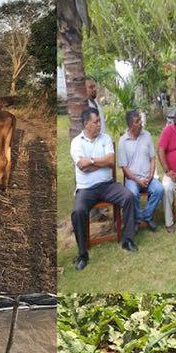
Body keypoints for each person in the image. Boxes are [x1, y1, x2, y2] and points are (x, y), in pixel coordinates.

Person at [70, 108, 137, 271]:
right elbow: (82, 166)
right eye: (96, 122)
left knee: (128, 196)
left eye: (99, 121)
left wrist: (91, 161)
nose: (99, 125)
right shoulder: (76, 142)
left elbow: (110, 161)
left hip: (108, 185)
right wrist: (100, 163)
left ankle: (127, 239)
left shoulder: (105, 138)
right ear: (86, 124)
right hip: (86, 189)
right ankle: (83, 253)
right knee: (78, 211)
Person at [117, 109, 160, 233]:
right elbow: (124, 168)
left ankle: (145, 216)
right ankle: (137, 219)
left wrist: (151, 176)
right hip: (132, 179)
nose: (141, 123)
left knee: (159, 190)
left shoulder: (147, 135)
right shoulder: (123, 141)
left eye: (140, 120)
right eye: (137, 121)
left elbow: (152, 158)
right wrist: (138, 180)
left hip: (148, 177)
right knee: (132, 194)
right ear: (130, 125)